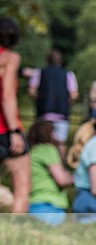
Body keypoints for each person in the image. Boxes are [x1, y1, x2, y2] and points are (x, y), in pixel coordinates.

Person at [0, 17, 31, 214]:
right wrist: (14, 131)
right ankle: (15, 236)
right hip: (4, 128)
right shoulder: (10, 58)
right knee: (22, 189)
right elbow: (7, 95)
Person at [27, 49, 78, 158]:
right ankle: (61, 166)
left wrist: (39, 99)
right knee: (60, 143)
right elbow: (74, 95)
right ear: (60, 61)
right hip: (61, 113)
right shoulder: (68, 74)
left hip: (44, 113)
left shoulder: (39, 73)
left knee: (41, 142)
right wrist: (66, 102)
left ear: (47, 61)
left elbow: (31, 92)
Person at [26, 119, 72, 225]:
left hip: (32, 204)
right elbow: (61, 180)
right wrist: (73, 178)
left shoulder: (31, 152)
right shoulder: (47, 150)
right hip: (49, 205)